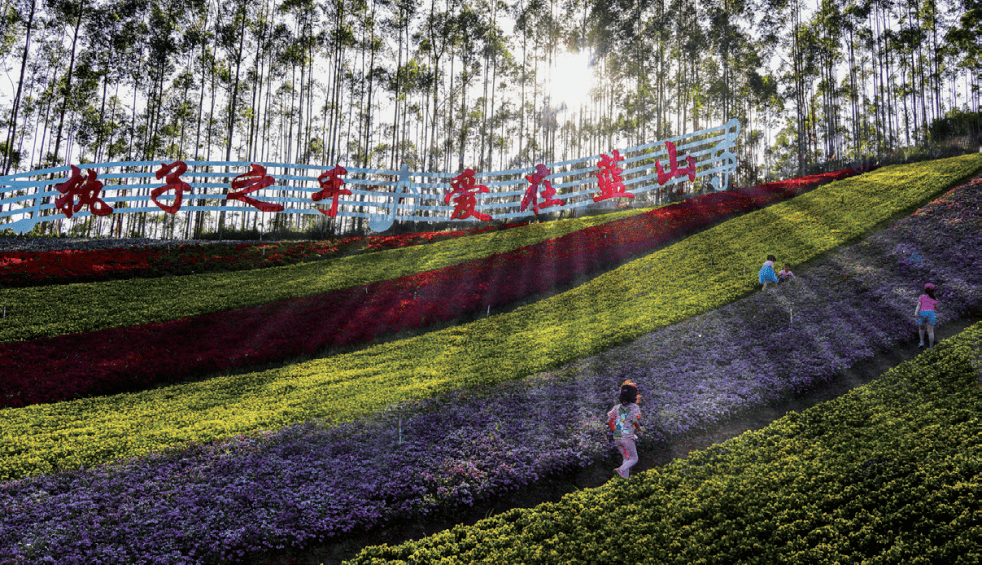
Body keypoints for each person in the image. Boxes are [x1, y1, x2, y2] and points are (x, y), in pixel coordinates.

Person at [607, 379, 645, 479]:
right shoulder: (634, 407)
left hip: (617, 435)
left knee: (626, 458)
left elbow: (609, 422)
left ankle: (625, 479)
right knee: (634, 458)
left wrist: (616, 431)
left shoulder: (616, 407)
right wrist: (640, 429)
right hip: (627, 436)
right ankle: (620, 470)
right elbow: (635, 421)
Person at [914, 283, 939, 349]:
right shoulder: (935, 299)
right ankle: (931, 347)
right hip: (931, 314)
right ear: (933, 290)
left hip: (922, 313)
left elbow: (919, 305)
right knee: (930, 331)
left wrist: (916, 313)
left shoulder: (921, 296)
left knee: (921, 328)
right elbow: (934, 308)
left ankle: (921, 342)